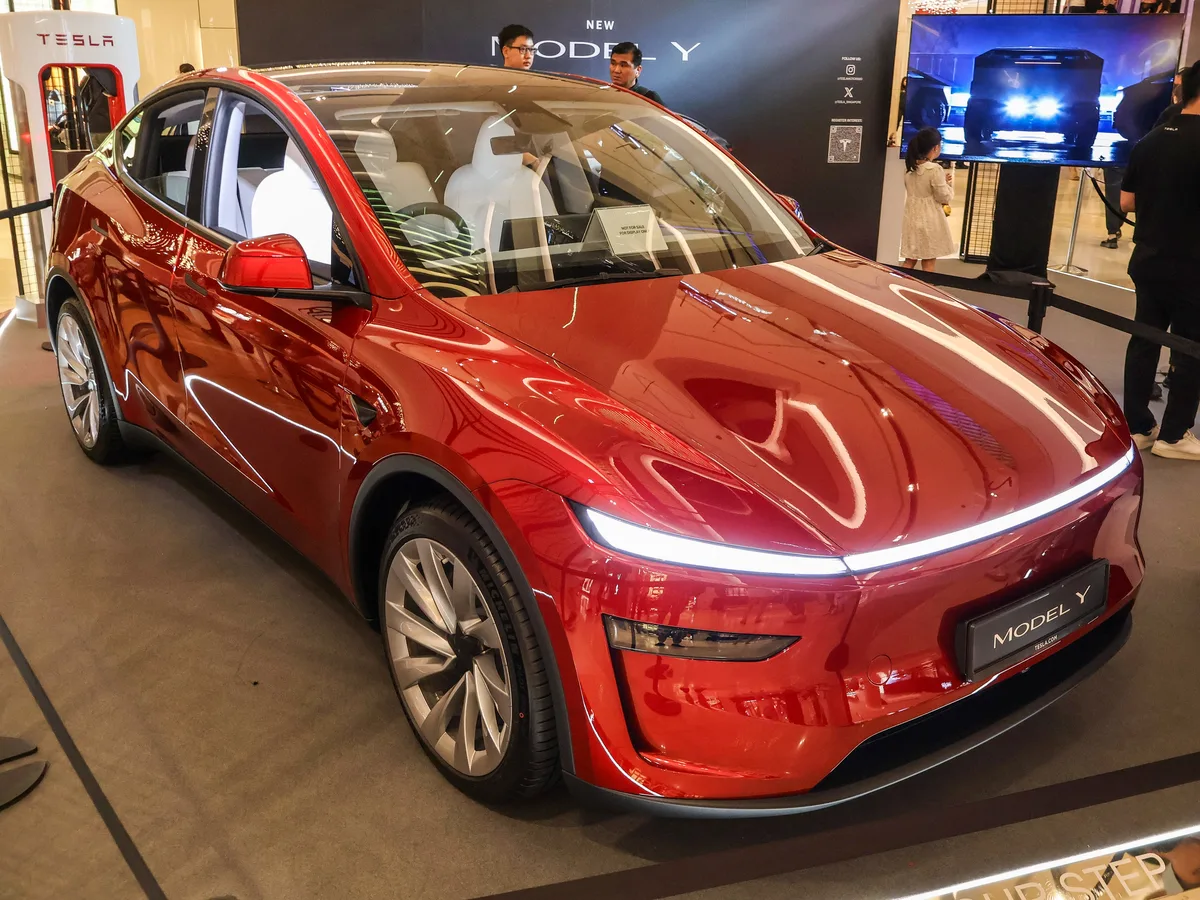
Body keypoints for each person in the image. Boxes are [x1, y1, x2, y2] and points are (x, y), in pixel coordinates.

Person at [1119, 61, 1200, 460]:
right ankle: (1174, 435)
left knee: (1145, 340)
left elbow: (1127, 201)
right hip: (1193, 265)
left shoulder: (1149, 141)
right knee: (1190, 348)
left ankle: (1139, 426)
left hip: (1148, 258)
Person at [900, 127, 955, 272]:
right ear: (936, 147)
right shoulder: (934, 169)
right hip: (930, 218)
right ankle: (926, 291)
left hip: (911, 217)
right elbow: (943, 196)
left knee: (910, 260)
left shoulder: (910, 167)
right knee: (929, 261)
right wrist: (948, 185)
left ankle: (899, 286)